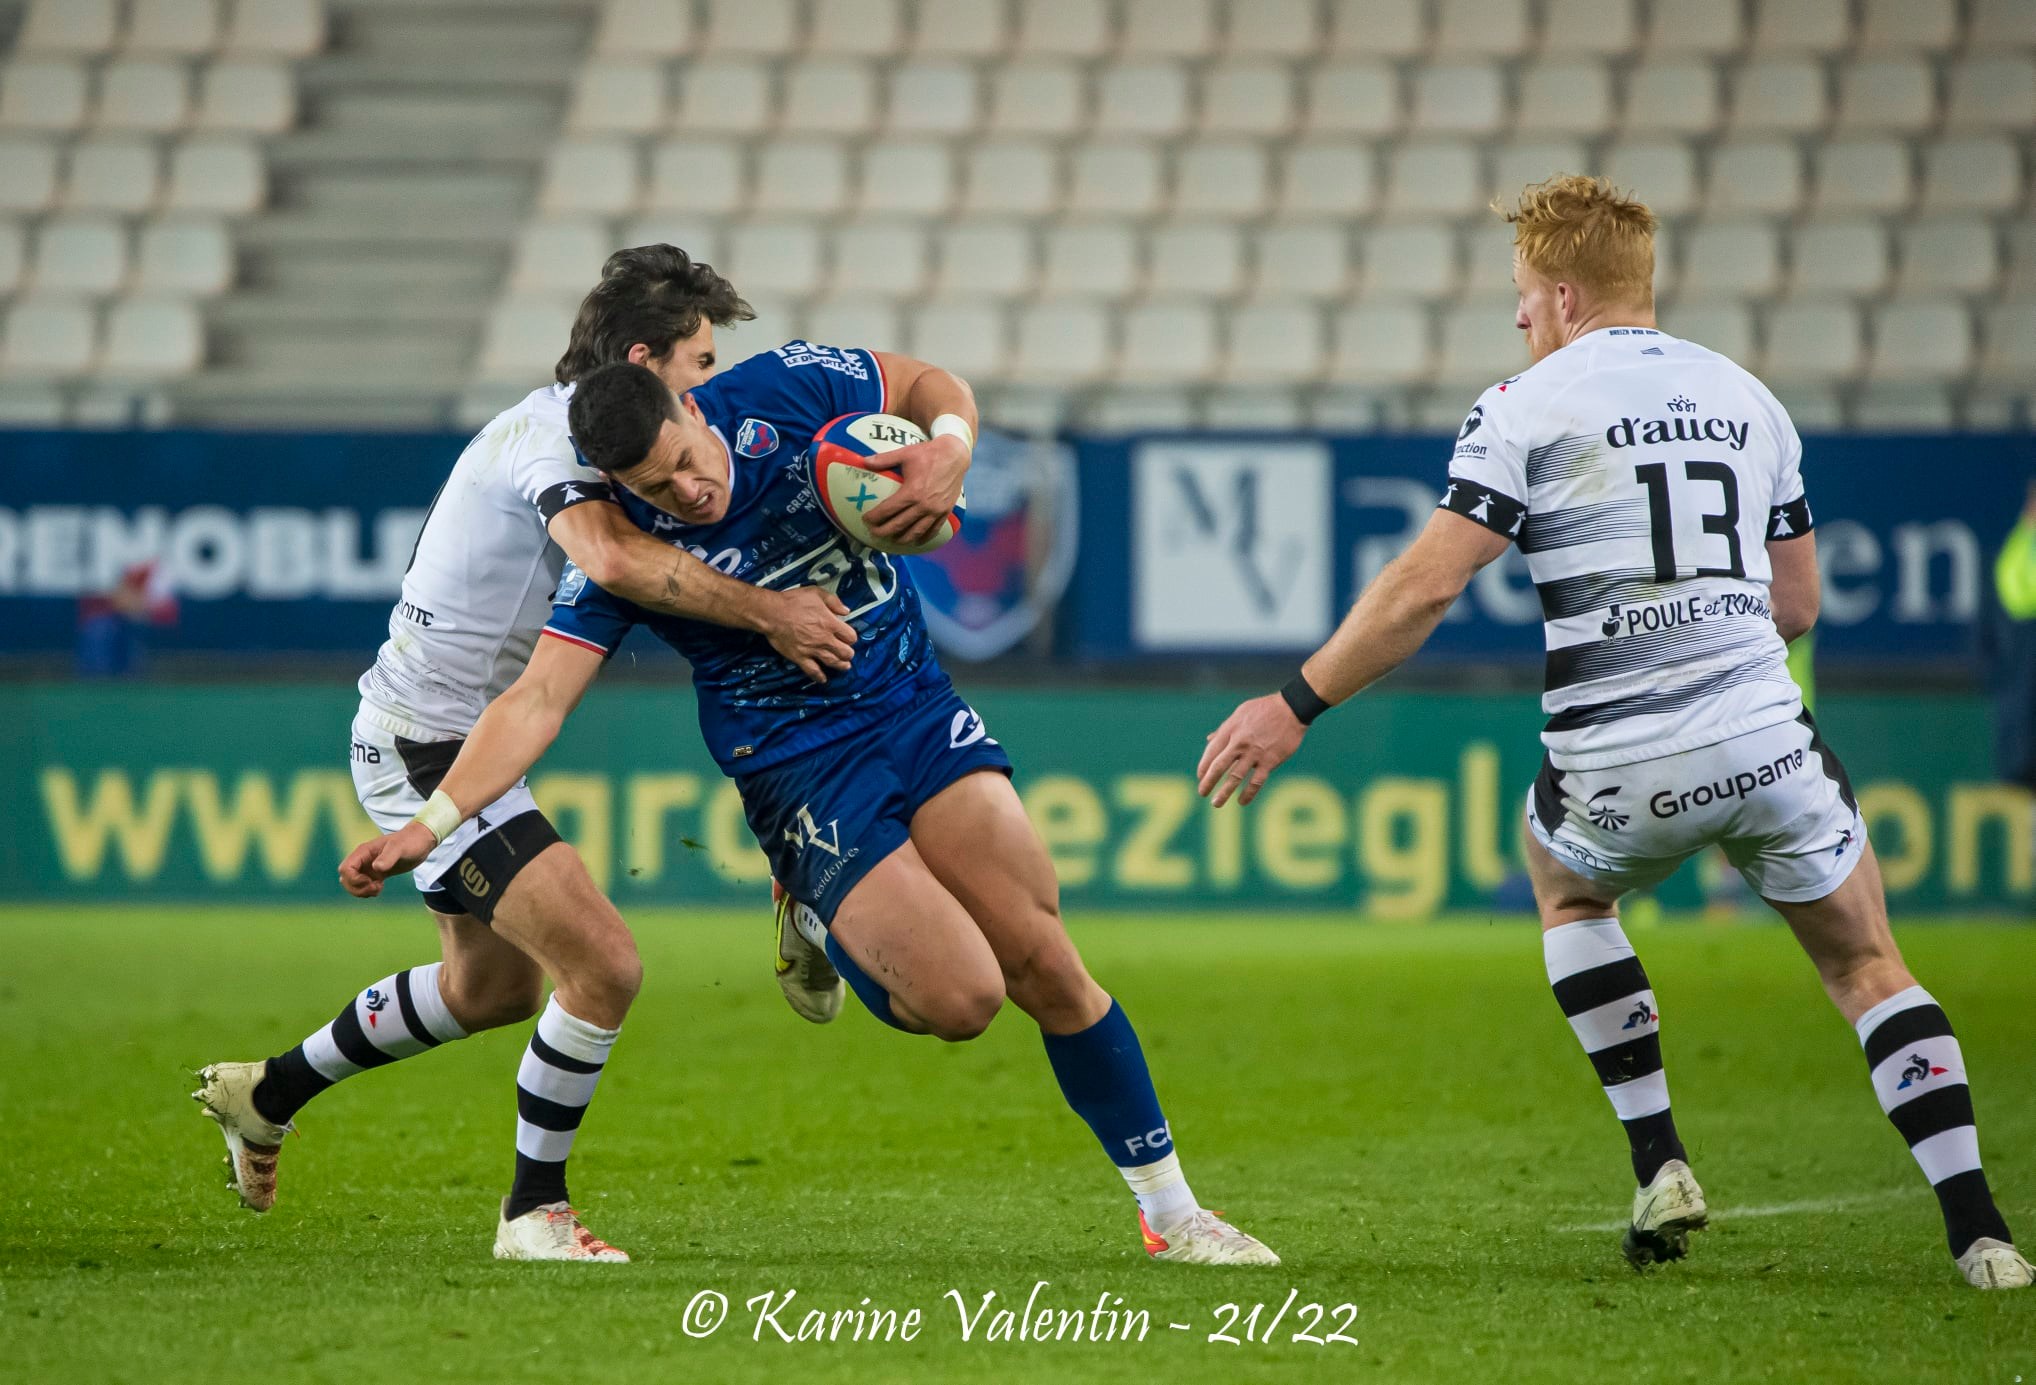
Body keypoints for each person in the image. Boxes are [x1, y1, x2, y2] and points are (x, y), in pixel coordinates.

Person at [1196, 175, 2029, 1290]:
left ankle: (1658, 1158)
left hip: (1618, 761)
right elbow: (1796, 604)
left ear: (1564, 295)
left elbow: (1424, 586)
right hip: (1764, 740)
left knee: (1565, 886)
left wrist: (1292, 702)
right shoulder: (1750, 398)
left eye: (1522, 293)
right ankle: (1981, 1233)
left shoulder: (1521, 404)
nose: (1517, 316)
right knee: (1867, 962)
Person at [342, 350, 1280, 1266]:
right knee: (961, 1002)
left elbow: (926, 382)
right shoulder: (621, 555)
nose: (687, 493)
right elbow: (535, 701)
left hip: (914, 706)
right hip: (802, 767)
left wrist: (948, 447)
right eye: (656, 487)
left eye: (686, 462)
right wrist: (429, 825)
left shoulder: (785, 391)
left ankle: (1175, 1217)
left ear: (692, 409)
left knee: (1046, 961)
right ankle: (818, 913)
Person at [192, 246, 868, 1263]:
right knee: (603, 964)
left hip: (441, 729)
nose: (707, 386)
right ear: (641, 359)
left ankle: (268, 1092)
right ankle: (532, 1212)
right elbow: (610, 559)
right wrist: (773, 609)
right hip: (432, 743)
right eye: (698, 362)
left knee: (490, 992)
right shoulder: (556, 438)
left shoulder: (600, 441)